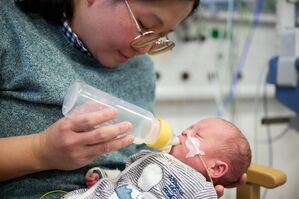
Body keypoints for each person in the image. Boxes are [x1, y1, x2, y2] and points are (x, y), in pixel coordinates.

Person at [0, 0, 245, 198]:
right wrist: (40, 150)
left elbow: (135, 155)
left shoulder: (140, 69)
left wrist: (184, 177)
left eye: (160, 36)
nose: (145, 49)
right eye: (144, 25)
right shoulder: (9, 27)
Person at [63, 118, 251, 199]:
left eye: (197, 135)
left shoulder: (201, 190)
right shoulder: (155, 156)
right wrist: (103, 175)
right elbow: (125, 175)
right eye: (190, 127)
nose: (186, 131)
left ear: (216, 168)